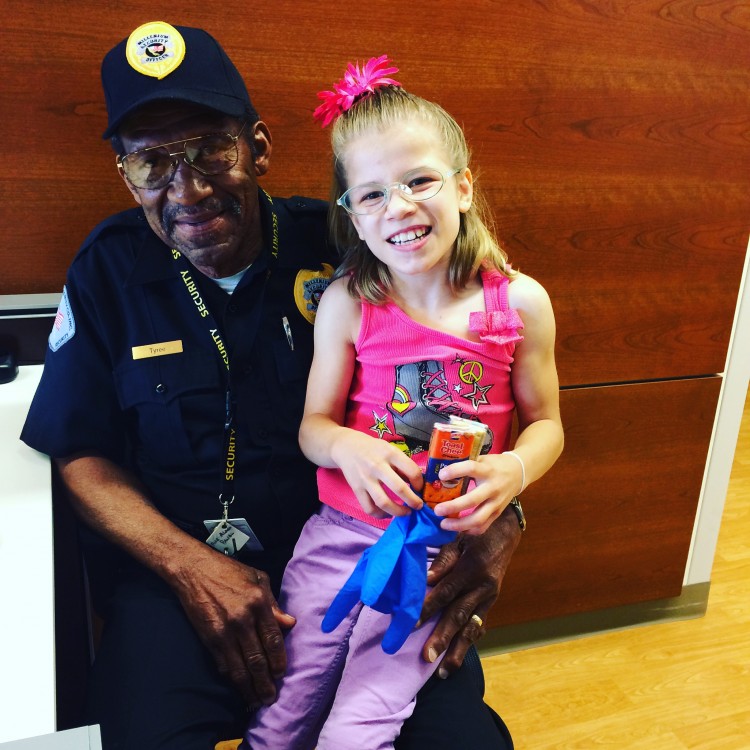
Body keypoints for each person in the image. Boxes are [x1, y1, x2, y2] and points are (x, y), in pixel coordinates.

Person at [20, 23, 533, 750]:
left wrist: (506, 518)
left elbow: (480, 376)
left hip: (362, 553)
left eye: (211, 150)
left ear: (257, 147)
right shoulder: (107, 271)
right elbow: (80, 453)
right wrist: (190, 568)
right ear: (126, 177)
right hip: (182, 575)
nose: (187, 188)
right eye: (152, 163)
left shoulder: (355, 245)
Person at [243, 58, 564, 750]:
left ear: (464, 186)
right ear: (352, 216)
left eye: (420, 181)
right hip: (335, 542)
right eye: (372, 194)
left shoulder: (520, 305)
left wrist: (515, 472)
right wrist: (348, 445)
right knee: (281, 716)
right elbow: (314, 427)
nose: (400, 207)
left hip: (435, 559)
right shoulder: (347, 304)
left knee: (359, 730)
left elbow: (548, 426)